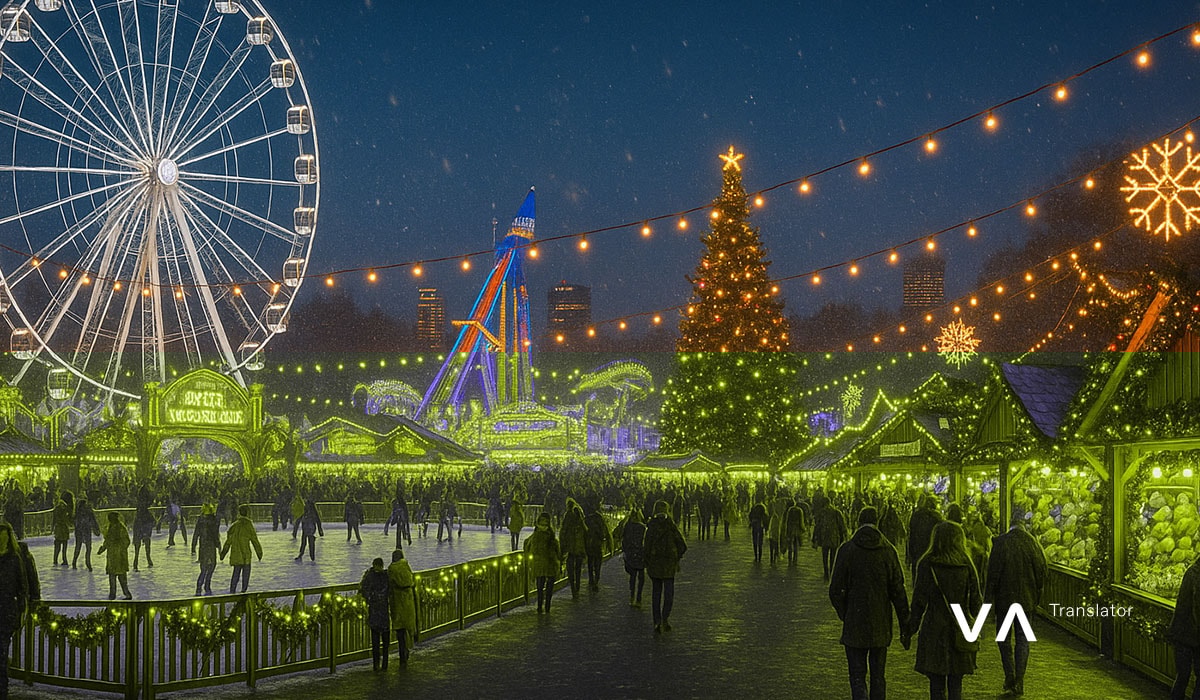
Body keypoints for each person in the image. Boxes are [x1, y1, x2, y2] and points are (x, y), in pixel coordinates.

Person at [828, 506, 910, 700]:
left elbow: (834, 590)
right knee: (878, 676)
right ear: (877, 522)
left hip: (854, 622)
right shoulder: (888, 551)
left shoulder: (847, 550)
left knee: (857, 676)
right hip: (880, 624)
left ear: (858, 521)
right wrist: (905, 624)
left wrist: (845, 612)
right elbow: (898, 590)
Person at [903, 521, 983, 700]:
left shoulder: (927, 563)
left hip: (934, 628)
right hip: (959, 628)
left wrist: (909, 629)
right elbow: (976, 603)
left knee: (936, 684)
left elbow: (918, 603)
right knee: (956, 684)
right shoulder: (966, 564)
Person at [985, 508, 1047, 697]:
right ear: (1024, 524)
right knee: (1023, 640)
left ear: (1010, 524)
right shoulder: (1033, 544)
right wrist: (1036, 595)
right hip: (1026, 602)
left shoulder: (1001, 542)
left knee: (1004, 640)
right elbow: (1042, 572)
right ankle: (1019, 679)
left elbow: (992, 575)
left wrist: (988, 600)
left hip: (1005, 601)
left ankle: (1009, 675)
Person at [644, 500, 687, 633]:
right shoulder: (670, 526)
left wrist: (648, 561)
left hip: (656, 564)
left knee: (656, 594)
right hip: (668, 565)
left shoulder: (651, 526)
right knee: (668, 595)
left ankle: (658, 621)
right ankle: (664, 619)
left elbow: (646, 546)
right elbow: (682, 545)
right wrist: (676, 557)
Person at [0, 522, 29, 700]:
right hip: (6, 610)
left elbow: (22, 586)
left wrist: (21, 609)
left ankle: (2, 689)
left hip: (6, 613)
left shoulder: (14, 558)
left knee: (1, 654)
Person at [1170, 554, 1200, 700]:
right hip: (1190, 635)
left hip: (1182, 633)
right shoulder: (1194, 575)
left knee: (1183, 676)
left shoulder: (1191, 573)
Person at [220, 505, 264, 594]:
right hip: (245, 555)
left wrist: (223, 553)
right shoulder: (248, 525)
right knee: (245, 574)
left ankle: (232, 591)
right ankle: (243, 591)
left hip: (236, 554)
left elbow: (228, 541)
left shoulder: (234, 526)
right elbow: (254, 540)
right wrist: (259, 553)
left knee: (236, 573)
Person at [523, 513, 561, 614]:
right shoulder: (551, 536)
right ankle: (547, 606)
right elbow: (557, 552)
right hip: (550, 565)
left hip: (540, 565)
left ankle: (540, 607)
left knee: (540, 588)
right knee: (548, 589)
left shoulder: (535, 536)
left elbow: (527, 546)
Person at [359, 557, 391, 671]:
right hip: (378, 611)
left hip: (380, 611)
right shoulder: (375, 576)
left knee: (383, 640)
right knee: (377, 640)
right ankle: (377, 663)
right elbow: (364, 590)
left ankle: (383, 663)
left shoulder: (381, 576)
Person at [387, 548, 418, 663]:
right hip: (408, 601)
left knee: (400, 630)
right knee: (407, 627)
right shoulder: (406, 567)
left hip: (397, 601)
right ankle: (407, 648)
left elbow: (390, 583)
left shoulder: (392, 569)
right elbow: (412, 581)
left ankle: (402, 653)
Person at [96, 512, 132, 600]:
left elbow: (126, 541)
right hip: (113, 556)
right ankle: (113, 594)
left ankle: (126, 593)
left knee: (121, 576)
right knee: (113, 576)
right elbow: (108, 540)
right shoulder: (111, 528)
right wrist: (103, 548)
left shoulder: (121, 528)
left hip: (119, 556)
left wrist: (117, 546)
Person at [813, 494, 849, 580]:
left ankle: (826, 574)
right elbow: (842, 525)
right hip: (834, 538)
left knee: (825, 557)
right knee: (833, 557)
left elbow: (817, 526)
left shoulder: (821, 513)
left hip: (824, 537)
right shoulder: (837, 512)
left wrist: (814, 538)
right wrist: (845, 536)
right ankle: (832, 573)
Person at [908, 496, 943, 580]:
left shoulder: (916, 515)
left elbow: (911, 534)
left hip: (917, 548)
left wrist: (910, 551)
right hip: (931, 549)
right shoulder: (936, 517)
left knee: (917, 572)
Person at [559, 498, 588, 598]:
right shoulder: (580, 521)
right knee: (578, 569)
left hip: (570, 549)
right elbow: (586, 533)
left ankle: (573, 588)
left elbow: (563, 532)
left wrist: (562, 547)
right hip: (578, 549)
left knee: (571, 570)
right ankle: (577, 587)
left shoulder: (568, 517)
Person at [193, 504, 222, 596]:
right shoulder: (213, 521)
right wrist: (218, 545)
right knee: (211, 566)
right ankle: (207, 585)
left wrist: (193, 546)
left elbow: (196, 534)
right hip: (211, 546)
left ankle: (199, 587)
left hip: (202, 546)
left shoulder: (200, 520)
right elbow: (215, 534)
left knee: (203, 568)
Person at [583, 502, 613, 590]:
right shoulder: (599, 518)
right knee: (597, 563)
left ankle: (591, 579)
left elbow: (584, 532)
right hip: (597, 544)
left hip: (589, 544)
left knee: (590, 562)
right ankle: (596, 579)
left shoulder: (587, 519)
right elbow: (603, 532)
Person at [621, 508, 647, 607]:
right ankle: (638, 598)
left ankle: (632, 596)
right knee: (641, 576)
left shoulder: (627, 526)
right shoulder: (642, 527)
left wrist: (625, 550)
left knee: (633, 576)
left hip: (631, 553)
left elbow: (623, 539)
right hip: (640, 553)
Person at [72, 494, 101, 570]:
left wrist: (96, 528)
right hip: (82, 531)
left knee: (86, 547)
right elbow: (75, 522)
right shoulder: (80, 513)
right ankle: (76, 561)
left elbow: (93, 521)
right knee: (80, 547)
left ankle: (87, 562)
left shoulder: (87, 512)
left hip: (85, 531)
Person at [51, 490, 74, 566]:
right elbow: (67, 519)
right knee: (63, 545)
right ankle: (63, 559)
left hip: (60, 529)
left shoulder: (57, 509)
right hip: (63, 529)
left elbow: (54, 519)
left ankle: (56, 559)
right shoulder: (66, 509)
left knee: (58, 546)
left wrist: (52, 527)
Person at [132, 501, 155, 571]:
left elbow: (153, 522)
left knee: (138, 549)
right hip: (142, 532)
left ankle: (137, 562)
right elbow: (153, 522)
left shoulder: (139, 516)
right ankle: (146, 560)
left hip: (141, 532)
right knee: (144, 547)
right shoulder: (146, 514)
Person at [785, 498, 808, 565]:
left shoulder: (790, 510)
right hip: (797, 530)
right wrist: (803, 529)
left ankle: (789, 560)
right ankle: (795, 560)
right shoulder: (799, 510)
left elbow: (787, 521)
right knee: (795, 545)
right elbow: (801, 521)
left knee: (790, 545)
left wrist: (787, 530)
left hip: (790, 529)